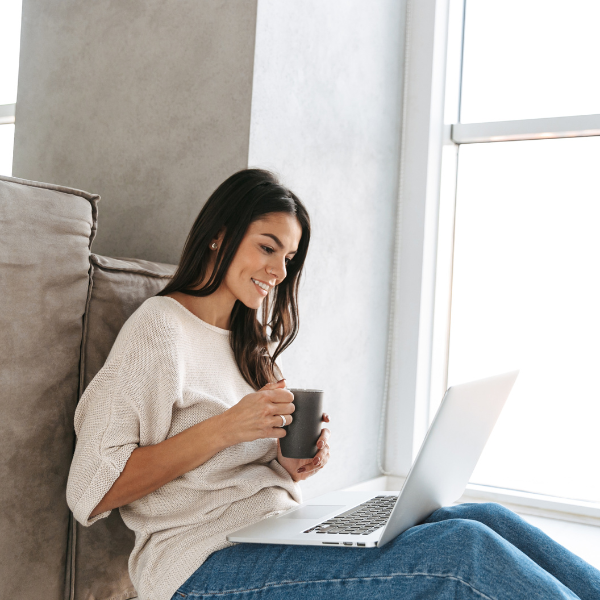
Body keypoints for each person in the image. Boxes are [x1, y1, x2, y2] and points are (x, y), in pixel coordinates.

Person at [67, 168, 600, 600]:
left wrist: (288, 463)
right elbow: (91, 492)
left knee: (484, 517)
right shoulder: (160, 330)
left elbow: (239, 469)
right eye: (267, 247)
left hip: (272, 530)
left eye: (289, 257)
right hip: (199, 566)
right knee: (464, 551)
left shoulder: (248, 343)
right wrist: (228, 429)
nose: (278, 269)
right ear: (219, 236)